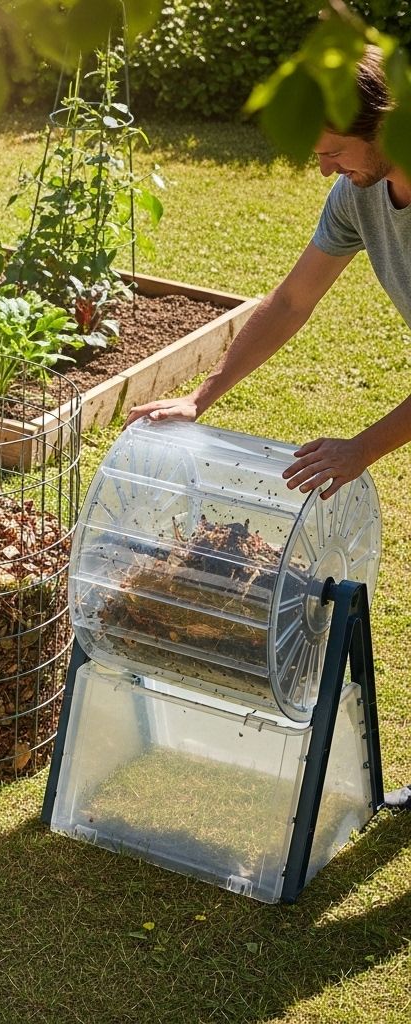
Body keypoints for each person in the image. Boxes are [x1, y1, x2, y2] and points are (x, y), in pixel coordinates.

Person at [126, 44, 411, 812]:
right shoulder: (361, 194)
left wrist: (361, 450)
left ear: (383, 123)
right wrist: (203, 396)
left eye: (332, 152)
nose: (323, 170)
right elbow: (290, 302)